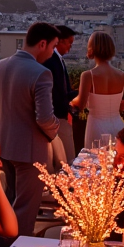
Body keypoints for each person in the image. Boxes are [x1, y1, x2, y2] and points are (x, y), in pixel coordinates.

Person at [0, 21, 60, 233]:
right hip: (29, 150)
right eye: (54, 47)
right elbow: (45, 118)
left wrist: (12, 113)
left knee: (7, 204)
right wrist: (54, 132)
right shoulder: (41, 73)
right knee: (26, 210)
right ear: (42, 44)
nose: (53, 52)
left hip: (2, 146)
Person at [71, 31, 124, 149]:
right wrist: (121, 106)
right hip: (118, 125)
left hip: (96, 126)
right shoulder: (123, 76)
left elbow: (81, 104)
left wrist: (71, 102)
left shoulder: (88, 75)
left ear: (92, 49)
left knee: (94, 162)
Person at [46, 24, 79, 168]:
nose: (70, 47)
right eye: (69, 43)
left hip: (59, 116)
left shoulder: (56, 59)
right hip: (58, 117)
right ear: (59, 41)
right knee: (67, 160)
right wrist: (81, 92)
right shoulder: (52, 61)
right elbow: (58, 92)